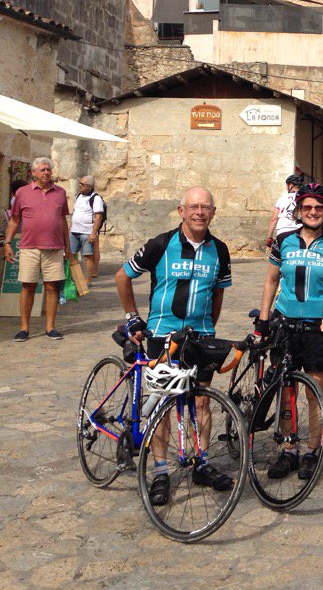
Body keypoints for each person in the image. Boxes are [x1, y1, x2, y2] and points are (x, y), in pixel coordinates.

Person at [115, 186, 233, 504]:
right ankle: (161, 471)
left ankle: (202, 463)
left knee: (201, 403)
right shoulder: (161, 244)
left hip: (200, 338)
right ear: (181, 211)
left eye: (205, 207)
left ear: (213, 212)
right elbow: (122, 276)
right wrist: (132, 317)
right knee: (164, 406)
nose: (199, 212)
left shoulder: (219, 250)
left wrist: (208, 327)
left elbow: (218, 293)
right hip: (161, 335)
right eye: (193, 207)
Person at [256, 183, 323, 481]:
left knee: (314, 392)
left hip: (318, 326)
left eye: (318, 208)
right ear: (298, 211)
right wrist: (265, 318)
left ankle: (312, 450)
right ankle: (288, 448)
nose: (312, 212)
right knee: (286, 392)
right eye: (307, 208)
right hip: (285, 325)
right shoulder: (284, 241)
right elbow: (271, 281)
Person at [5, 158, 72, 342]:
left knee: (52, 287)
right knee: (27, 286)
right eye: (42, 170)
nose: (46, 173)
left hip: (54, 248)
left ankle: (50, 327)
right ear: (33, 173)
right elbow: (14, 220)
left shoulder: (60, 193)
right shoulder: (22, 193)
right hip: (29, 247)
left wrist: (68, 246)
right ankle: (24, 328)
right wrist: (7, 243)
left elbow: (63, 221)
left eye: (48, 169)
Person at [69, 175, 105, 281]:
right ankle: (76, 278)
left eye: (82, 184)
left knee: (87, 256)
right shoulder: (79, 196)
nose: (79, 186)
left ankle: (87, 280)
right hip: (74, 231)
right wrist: (70, 226)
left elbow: (98, 216)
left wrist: (93, 233)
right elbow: (75, 212)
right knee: (71, 255)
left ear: (89, 186)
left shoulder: (96, 198)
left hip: (87, 232)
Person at [266, 173, 304, 246]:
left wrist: (269, 237)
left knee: (281, 254)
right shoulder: (303, 199)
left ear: (290, 185)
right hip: (299, 230)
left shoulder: (282, 198)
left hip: (283, 230)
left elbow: (274, 218)